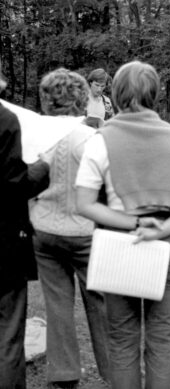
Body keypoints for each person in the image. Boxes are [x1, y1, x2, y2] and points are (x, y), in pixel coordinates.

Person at [75, 60, 170, 389]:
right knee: (163, 343)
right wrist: (166, 226)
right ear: (156, 95)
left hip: (121, 247)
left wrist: (133, 220)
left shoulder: (100, 140)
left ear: (117, 94)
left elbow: (84, 204)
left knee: (121, 341)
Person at [30, 68, 109, 388]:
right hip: (84, 230)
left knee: (58, 302)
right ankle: (114, 368)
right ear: (81, 99)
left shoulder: (35, 135)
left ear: (47, 101)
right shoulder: (91, 137)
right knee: (100, 300)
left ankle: (64, 373)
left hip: (45, 229)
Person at [0, 65, 50, 389]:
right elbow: (13, 183)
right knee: (9, 331)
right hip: (3, 239)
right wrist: (43, 167)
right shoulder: (5, 121)